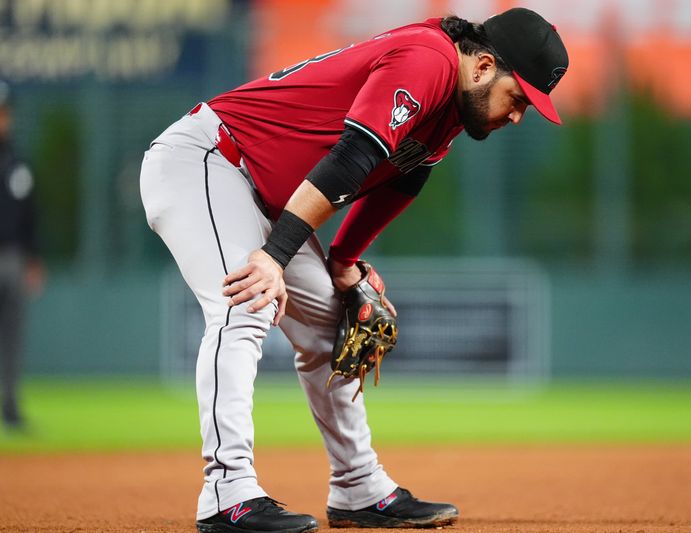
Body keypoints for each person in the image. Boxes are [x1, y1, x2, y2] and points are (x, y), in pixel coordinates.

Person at [140, 7, 568, 533]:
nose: (518, 115)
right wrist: (274, 257)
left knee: (328, 324)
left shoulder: (450, 110)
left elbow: (401, 181)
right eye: (519, 98)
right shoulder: (427, 59)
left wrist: (343, 262)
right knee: (247, 301)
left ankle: (358, 486)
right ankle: (226, 492)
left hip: (269, 199)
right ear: (483, 66)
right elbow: (354, 157)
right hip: (209, 160)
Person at [0, 81, 45, 431]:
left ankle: (11, 408)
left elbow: (31, 216)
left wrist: (33, 258)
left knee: (13, 337)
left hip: (14, 257)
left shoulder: (18, 163)